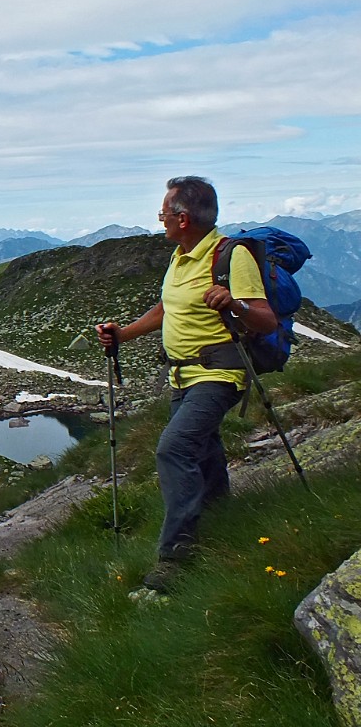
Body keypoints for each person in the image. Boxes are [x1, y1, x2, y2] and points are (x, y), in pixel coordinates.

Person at [95, 176, 276, 593]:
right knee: (205, 453)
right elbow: (166, 308)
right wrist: (123, 334)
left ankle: (175, 556)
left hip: (218, 374)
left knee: (174, 449)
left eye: (163, 213)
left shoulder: (231, 256)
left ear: (182, 217)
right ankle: (222, 523)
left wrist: (234, 303)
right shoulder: (181, 256)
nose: (159, 220)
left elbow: (265, 318)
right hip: (182, 376)